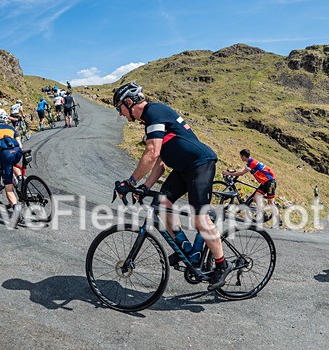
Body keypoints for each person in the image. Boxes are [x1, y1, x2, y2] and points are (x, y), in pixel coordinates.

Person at [112, 81, 232, 291]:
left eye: (119, 108)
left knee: (199, 219)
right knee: (162, 203)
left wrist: (130, 183)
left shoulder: (154, 112)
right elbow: (159, 164)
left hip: (200, 165)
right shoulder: (151, 122)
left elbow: (152, 153)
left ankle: (222, 265)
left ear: (129, 102)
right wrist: (145, 187)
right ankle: (185, 248)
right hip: (183, 168)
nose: (121, 114)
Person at [223, 149, 281, 227]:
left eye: (241, 156)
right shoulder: (250, 162)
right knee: (256, 198)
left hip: (270, 182)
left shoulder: (252, 163)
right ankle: (263, 214)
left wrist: (228, 173)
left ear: (243, 156)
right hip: (264, 182)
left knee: (270, 203)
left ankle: (278, 221)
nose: (240, 158)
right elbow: (243, 170)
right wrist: (233, 171)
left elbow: (242, 173)